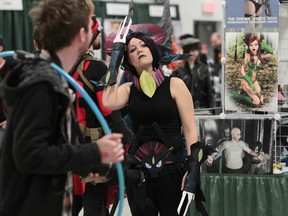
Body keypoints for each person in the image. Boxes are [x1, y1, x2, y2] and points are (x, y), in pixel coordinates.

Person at [0, 1, 125, 216]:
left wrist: (88, 163)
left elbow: (49, 146)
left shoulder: (47, 77)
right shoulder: (42, 83)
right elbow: (30, 155)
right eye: (90, 24)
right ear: (81, 34)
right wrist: (93, 151)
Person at [102, 30, 214, 216]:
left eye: (144, 45)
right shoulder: (128, 90)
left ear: (153, 50)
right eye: (132, 49)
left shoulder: (175, 85)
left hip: (172, 172)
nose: (139, 50)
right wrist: (114, 59)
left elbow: (189, 129)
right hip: (140, 175)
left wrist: (192, 168)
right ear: (128, 60)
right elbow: (108, 102)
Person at [71, 17, 133, 216]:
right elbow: (109, 109)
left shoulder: (67, 67)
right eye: (97, 31)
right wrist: (129, 139)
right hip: (97, 147)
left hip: (75, 145)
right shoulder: (95, 67)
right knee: (94, 200)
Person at [230, 34, 273, 107]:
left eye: (256, 45)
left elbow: (270, 52)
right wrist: (250, 83)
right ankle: (237, 95)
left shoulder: (260, 56)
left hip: (254, 81)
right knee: (257, 102)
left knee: (261, 100)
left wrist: (261, 44)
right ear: (249, 46)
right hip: (246, 81)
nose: (253, 47)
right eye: (251, 45)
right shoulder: (247, 55)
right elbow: (242, 71)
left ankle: (244, 93)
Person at [172, 36, 213, 109]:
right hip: (183, 108)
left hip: (202, 108)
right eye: (190, 50)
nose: (193, 52)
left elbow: (209, 90)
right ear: (186, 52)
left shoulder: (203, 68)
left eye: (196, 49)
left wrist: (211, 108)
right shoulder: (178, 70)